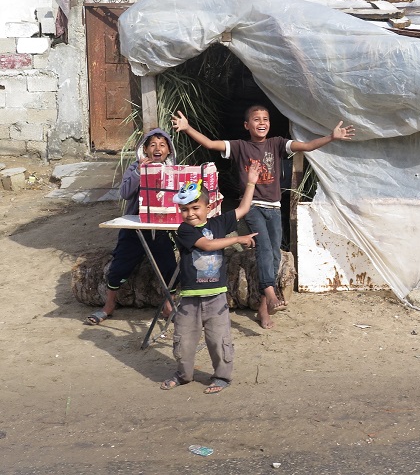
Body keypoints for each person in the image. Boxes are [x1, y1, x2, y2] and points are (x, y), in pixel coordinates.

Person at [171, 106, 354, 328]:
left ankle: (263, 308)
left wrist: (332, 137)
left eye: (265, 119)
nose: (262, 122)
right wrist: (187, 127)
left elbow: (306, 146)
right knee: (264, 247)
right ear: (247, 125)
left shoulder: (277, 143)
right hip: (252, 206)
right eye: (256, 119)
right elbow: (210, 143)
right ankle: (270, 290)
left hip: (274, 208)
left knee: (275, 254)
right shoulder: (239, 146)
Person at [160, 162, 260, 394]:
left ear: (208, 206)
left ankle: (222, 377)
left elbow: (244, 208)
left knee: (219, 340)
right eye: (184, 209)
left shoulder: (219, 223)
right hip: (189, 299)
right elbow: (206, 246)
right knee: (183, 342)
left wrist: (251, 181)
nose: (190, 213)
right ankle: (183, 375)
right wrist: (237, 239)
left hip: (216, 298)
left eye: (195, 207)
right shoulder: (184, 231)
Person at [86, 129, 178, 326]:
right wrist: (138, 173)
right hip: (134, 227)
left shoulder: (173, 171)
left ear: (169, 150)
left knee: (168, 265)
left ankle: (168, 305)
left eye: (162, 145)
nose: (157, 148)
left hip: (160, 229)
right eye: (152, 144)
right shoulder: (136, 167)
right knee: (120, 266)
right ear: (145, 149)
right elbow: (126, 192)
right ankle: (109, 305)